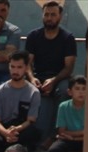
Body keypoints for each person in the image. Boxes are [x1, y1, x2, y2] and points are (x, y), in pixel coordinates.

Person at [24, 0, 76, 138]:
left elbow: (69, 68)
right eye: (46, 14)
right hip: (38, 76)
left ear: (60, 17)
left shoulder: (68, 38)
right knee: (22, 87)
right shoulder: (33, 36)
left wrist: (54, 80)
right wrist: (32, 78)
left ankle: (53, 135)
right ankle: (26, 133)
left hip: (59, 77)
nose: (49, 18)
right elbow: (27, 63)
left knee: (64, 91)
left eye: (53, 15)